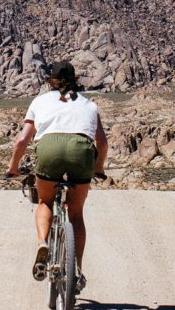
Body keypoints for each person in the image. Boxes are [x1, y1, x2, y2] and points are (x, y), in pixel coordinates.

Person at [6, 61, 108, 288]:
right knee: (76, 214)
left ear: (50, 82)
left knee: (45, 201)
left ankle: (43, 243)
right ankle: (77, 270)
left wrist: (13, 167)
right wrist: (98, 167)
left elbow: (22, 140)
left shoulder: (39, 102)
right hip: (81, 151)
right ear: (75, 81)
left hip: (49, 149)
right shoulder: (89, 105)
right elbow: (102, 142)